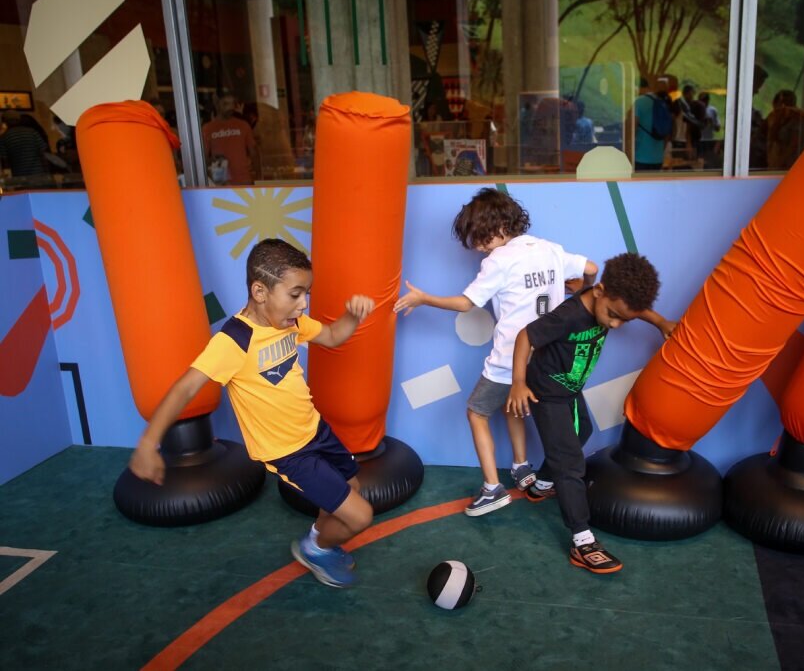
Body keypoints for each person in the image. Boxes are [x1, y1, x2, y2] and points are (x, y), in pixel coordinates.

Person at [128, 238, 375, 588]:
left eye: (307, 294)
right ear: (260, 291)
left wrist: (353, 315)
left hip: (314, 429)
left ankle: (320, 535)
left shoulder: (289, 323)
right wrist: (148, 443)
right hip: (288, 452)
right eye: (295, 294)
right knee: (360, 516)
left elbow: (334, 336)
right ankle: (315, 548)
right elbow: (185, 387)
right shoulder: (233, 341)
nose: (303, 305)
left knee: (352, 485)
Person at [394, 188, 599, 516]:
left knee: (476, 411)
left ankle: (492, 489)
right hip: (546, 361)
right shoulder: (548, 249)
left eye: (479, 238)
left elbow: (466, 303)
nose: (476, 247)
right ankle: (521, 467)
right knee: (513, 406)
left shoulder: (499, 261)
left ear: (499, 228)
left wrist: (424, 299)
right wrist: (580, 289)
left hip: (509, 359)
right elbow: (591, 266)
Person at [507, 253, 674, 574]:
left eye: (623, 319)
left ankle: (540, 485)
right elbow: (526, 335)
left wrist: (660, 322)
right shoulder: (570, 314)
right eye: (612, 315)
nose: (615, 324)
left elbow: (635, 311)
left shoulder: (617, 302)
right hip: (546, 392)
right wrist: (517, 382)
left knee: (581, 433)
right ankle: (582, 540)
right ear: (599, 291)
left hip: (570, 389)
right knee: (570, 463)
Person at [202, 92, 257, 185]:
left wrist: (258, 177)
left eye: (232, 104)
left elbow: (254, 153)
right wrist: (214, 167)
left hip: (244, 180)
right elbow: (204, 158)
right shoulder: (207, 129)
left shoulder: (243, 125)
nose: (230, 108)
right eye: (225, 104)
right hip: (221, 182)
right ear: (217, 104)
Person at [632, 77, 669, 171]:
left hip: (641, 157)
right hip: (658, 158)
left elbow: (633, 130)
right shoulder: (664, 104)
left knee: (641, 185)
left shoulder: (639, 102)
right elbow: (668, 132)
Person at [0, 110, 49, 179]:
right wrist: (47, 172)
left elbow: (5, 162)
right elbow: (43, 154)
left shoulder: (4, 137)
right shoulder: (32, 132)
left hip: (20, 177)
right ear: (19, 119)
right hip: (39, 174)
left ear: (5, 121)